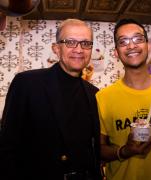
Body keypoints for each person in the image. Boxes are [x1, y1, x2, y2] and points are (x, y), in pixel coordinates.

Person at [0, 19, 102, 180]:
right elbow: (7, 146)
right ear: (56, 49)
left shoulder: (95, 94)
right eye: (70, 42)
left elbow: (93, 150)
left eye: (85, 43)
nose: (79, 49)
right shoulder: (26, 83)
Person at [96, 18, 151, 180]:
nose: (131, 45)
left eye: (138, 39)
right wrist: (125, 151)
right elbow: (98, 150)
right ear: (116, 52)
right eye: (123, 41)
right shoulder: (103, 97)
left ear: (148, 46)